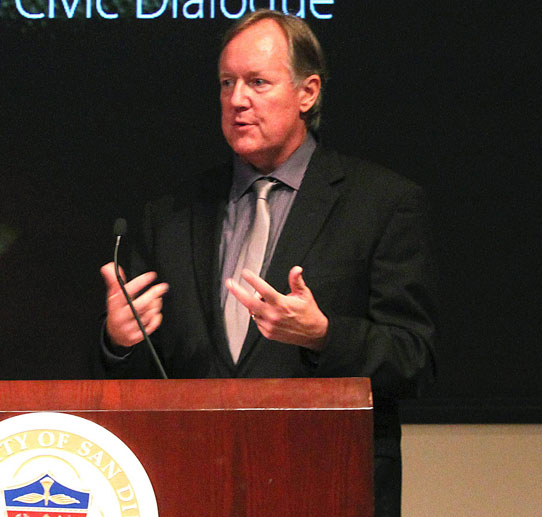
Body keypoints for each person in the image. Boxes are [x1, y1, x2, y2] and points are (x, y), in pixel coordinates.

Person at [100, 9, 438, 517]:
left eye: (258, 82)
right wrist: (121, 341)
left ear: (308, 92)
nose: (237, 99)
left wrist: (323, 336)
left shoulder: (382, 204)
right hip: (194, 483)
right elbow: (151, 378)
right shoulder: (170, 215)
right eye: (227, 83)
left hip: (325, 481)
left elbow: (414, 359)